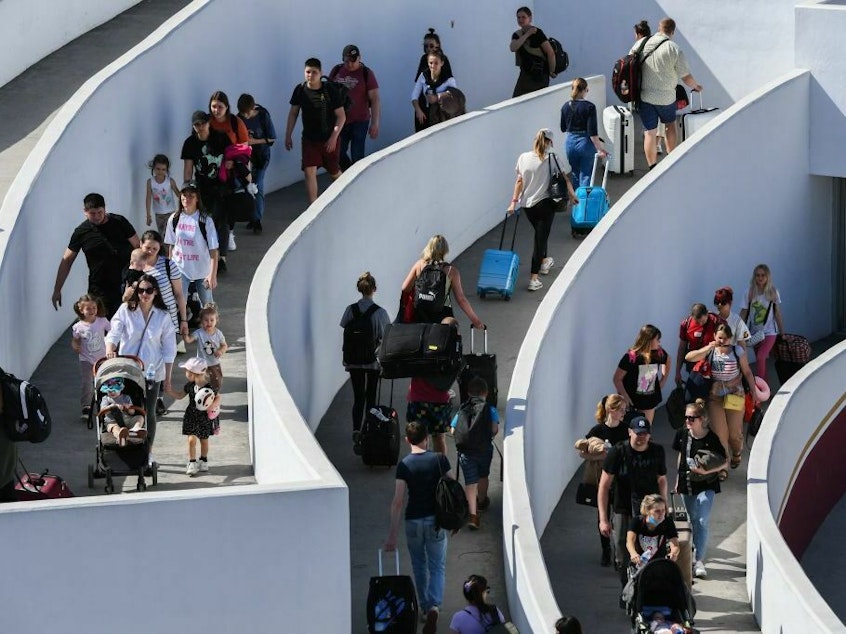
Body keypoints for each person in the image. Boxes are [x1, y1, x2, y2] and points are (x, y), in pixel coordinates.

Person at [385, 421, 453, 634]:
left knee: (418, 565)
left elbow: (397, 501)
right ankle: (434, 606)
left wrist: (392, 536)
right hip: (435, 521)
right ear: (426, 438)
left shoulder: (404, 465)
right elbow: (452, 488)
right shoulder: (440, 460)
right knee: (437, 565)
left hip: (413, 520)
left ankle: (424, 606)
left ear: (407, 440)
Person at [105, 274, 176, 458]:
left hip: (153, 371)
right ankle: (125, 443)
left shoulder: (163, 316)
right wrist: (110, 350)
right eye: (141, 290)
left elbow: (169, 349)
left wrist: (167, 379)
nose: (144, 294)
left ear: (156, 292)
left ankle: (148, 451)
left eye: (149, 290)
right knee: (126, 407)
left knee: (150, 411)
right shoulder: (126, 310)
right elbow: (114, 333)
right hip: (128, 370)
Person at [506, 128, 577, 292]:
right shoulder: (552, 158)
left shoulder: (523, 158)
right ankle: (534, 278)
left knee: (540, 234)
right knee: (539, 240)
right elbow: (565, 178)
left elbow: (519, 182)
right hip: (545, 204)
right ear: (549, 143)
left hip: (527, 206)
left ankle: (544, 262)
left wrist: (513, 203)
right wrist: (572, 195)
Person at [598, 415, 669, 572]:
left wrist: (665, 507)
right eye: (638, 433)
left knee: (650, 551)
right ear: (630, 432)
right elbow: (603, 486)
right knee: (623, 554)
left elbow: (662, 480)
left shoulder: (657, 451)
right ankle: (627, 585)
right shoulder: (618, 452)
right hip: (623, 508)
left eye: (645, 434)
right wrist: (603, 519)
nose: (641, 437)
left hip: (649, 510)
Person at [52, 193, 140, 318]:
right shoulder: (81, 232)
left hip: (125, 283)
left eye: (100, 212)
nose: (97, 216)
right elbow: (67, 260)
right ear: (85, 212)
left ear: (105, 209)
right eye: (93, 213)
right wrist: (57, 289)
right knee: (98, 328)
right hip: (99, 288)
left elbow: (138, 247)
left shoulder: (120, 222)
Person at [685, 323, 757, 473]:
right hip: (715, 398)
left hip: (734, 396)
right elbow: (689, 357)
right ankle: (723, 466)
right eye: (719, 338)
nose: (722, 341)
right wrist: (708, 347)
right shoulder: (711, 351)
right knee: (719, 434)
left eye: (725, 338)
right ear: (714, 337)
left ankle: (736, 452)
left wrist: (754, 392)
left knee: (734, 434)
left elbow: (747, 372)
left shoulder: (737, 351)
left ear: (730, 338)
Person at [634, 17, 703, 168]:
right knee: (670, 125)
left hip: (645, 96)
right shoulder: (674, 48)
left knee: (649, 132)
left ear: (659, 28)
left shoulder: (641, 43)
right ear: (673, 31)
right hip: (666, 98)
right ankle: (671, 161)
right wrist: (696, 86)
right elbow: (685, 76)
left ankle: (652, 166)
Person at [673, 398, 727, 579]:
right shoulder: (682, 434)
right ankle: (694, 551)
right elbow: (681, 456)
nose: (688, 421)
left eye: (692, 418)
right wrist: (677, 480)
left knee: (702, 520)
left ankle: (699, 560)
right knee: (692, 519)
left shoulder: (711, 438)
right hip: (687, 484)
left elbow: (724, 462)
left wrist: (706, 470)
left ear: (702, 419)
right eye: (686, 417)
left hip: (707, 484)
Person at [575, 394, 629, 566]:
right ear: (611, 410)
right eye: (621, 409)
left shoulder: (626, 429)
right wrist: (602, 454)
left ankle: (619, 552)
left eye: (624, 410)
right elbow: (582, 453)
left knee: (620, 517)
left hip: (622, 480)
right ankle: (606, 550)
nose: (623, 413)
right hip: (602, 481)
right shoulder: (597, 431)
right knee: (603, 517)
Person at [339, 272, 390, 454]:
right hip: (372, 361)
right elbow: (385, 337)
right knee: (371, 397)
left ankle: (355, 429)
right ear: (374, 290)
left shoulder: (350, 310)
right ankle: (368, 430)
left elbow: (344, 326)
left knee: (358, 397)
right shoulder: (380, 313)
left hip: (353, 361)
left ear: (359, 289)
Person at [285, 57, 346, 204]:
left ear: (320, 73)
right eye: (307, 72)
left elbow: (341, 116)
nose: (310, 75)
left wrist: (334, 137)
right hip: (309, 140)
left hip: (329, 139)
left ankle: (347, 191)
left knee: (334, 172)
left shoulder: (329, 89)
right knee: (309, 170)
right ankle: (313, 206)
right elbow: (293, 113)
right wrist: (288, 135)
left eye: (314, 72)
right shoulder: (300, 90)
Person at [181, 110, 231, 271]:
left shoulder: (221, 138)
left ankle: (221, 257)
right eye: (197, 124)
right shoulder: (190, 143)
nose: (200, 127)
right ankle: (209, 255)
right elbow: (188, 168)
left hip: (222, 185)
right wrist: (186, 188)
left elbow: (232, 156)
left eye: (203, 123)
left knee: (221, 220)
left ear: (209, 123)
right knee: (204, 221)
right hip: (202, 187)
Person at [401, 235, 484, 328]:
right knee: (445, 337)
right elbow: (461, 299)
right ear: (445, 250)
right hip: (442, 315)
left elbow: (405, 288)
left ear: (428, 248)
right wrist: (476, 320)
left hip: (420, 312)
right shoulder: (451, 271)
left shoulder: (419, 265)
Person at [450, 377, 498, 530]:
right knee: (483, 476)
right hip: (484, 450)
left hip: (466, 452)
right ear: (486, 393)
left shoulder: (463, 408)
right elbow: (494, 430)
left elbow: (452, 430)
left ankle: (473, 515)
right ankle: (482, 501)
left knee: (470, 482)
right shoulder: (490, 409)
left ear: (469, 393)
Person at [164, 182, 219, 306]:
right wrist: (170, 268)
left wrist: (212, 274)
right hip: (181, 268)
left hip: (202, 269)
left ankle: (211, 325)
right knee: (179, 302)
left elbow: (214, 250)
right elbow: (171, 245)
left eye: (191, 196)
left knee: (207, 304)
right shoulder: (174, 218)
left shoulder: (205, 220)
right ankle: (182, 324)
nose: (187, 199)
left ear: (197, 198)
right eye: (184, 195)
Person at [328, 45, 381, 169]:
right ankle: (348, 173)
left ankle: (358, 180)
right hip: (341, 121)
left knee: (357, 155)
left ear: (359, 58)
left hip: (360, 120)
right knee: (338, 152)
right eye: (347, 61)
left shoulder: (366, 73)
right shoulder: (337, 71)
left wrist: (375, 123)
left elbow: (375, 99)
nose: (350, 64)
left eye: (353, 60)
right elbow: (327, 92)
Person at [167, 357, 220, 476]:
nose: (185, 373)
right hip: (191, 415)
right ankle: (192, 462)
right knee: (191, 440)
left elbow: (217, 397)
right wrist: (169, 391)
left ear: (192, 373)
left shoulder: (209, 387)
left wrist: (213, 406)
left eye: (186, 371)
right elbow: (180, 395)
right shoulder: (190, 385)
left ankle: (203, 460)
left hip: (204, 417)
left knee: (204, 440)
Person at [613, 324, 671, 422]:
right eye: (657, 339)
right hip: (631, 400)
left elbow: (668, 360)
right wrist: (625, 397)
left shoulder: (658, 353)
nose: (659, 342)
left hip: (648, 400)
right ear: (649, 340)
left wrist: (663, 380)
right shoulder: (631, 356)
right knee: (630, 429)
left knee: (645, 429)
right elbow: (617, 379)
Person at [236, 93, 277, 234]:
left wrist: (255, 142)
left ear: (253, 108)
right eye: (243, 113)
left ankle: (257, 219)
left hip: (261, 156)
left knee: (258, 184)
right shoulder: (239, 118)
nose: (245, 116)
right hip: (246, 158)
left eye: (247, 113)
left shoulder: (263, 116)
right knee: (247, 186)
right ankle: (250, 216)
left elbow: (272, 138)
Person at [739, 263, 785, 383]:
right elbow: (744, 312)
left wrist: (782, 332)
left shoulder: (773, 292)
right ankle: (767, 390)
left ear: (767, 276)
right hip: (754, 333)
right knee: (761, 361)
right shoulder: (749, 292)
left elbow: (777, 313)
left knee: (760, 357)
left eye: (763, 275)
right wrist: (736, 331)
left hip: (770, 332)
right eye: (757, 275)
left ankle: (758, 390)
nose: (760, 278)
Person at [560, 78, 607, 187]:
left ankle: (577, 202)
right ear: (584, 90)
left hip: (570, 143)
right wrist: (600, 149)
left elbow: (563, 128)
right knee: (586, 174)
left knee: (575, 173)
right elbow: (592, 132)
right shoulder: (589, 107)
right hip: (585, 143)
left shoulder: (565, 106)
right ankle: (585, 201)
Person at [71, 294, 110, 417]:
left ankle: (106, 404)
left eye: (94, 308)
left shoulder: (102, 321)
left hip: (102, 358)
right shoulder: (78, 327)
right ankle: (86, 406)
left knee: (104, 381)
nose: (92, 311)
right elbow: (75, 339)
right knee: (87, 383)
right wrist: (75, 345)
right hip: (85, 359)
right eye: (88, 309)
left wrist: (112, 347)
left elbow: (113, 332)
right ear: (81, 310)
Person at [510, 6, 557, 98]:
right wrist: (527, 34)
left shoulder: (538, 33)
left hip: (540, 75)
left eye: (523, 17)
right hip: (525, 74)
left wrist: (552, 71)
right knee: (517, 101)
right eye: (518, 17)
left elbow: (550, 52)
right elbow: (513, 48)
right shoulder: (517, 35)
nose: (520, 20)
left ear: (530, 18)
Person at [674, 302, 722, 388]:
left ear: (707, 314)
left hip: (712, 365)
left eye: (703, 321)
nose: (700, 324)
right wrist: (678, 372)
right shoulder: (686, 324)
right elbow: (681, 348)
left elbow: (725, 342)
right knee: (693, 393)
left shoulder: (716, 321)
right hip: (694, 366)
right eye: (697, 322)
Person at [183, 302, 227, 392]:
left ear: (216, 320)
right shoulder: (199, 333)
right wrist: (185, 334)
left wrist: (220, 351)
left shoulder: (218, 334)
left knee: (217, 382)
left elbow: (224, 345)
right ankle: (203, 397)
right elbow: (189, 340)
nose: (209, 322)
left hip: (214, 363)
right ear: (201, 321)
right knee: (200, 383)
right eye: (206, 320)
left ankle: (214, 397)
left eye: (212, 320)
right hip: (201, 364)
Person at [626, 494, 680, 567]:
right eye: (657, 511)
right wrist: (633, 553)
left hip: (659, 561)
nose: (661, 514)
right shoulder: (637, 521)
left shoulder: (667, 521)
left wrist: (673, 553)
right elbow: (630, 542)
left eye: (663, 510)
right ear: (647, 511)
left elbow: (675, 543)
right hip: (640, 561)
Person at [412, 50, 458, 132]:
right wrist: (418, 110)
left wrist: (437, 97)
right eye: (430, 63)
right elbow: (414, 96)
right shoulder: (423, 76)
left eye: (436, 63)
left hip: (443, 116)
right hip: (427, 114)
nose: (433, 66)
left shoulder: (448, 79)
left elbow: (455, 94)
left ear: (442, 63)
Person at [98, 377, 146, 446]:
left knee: (140, 417)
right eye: (109, 391)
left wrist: (128, 408)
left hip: (127, 420)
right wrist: (111, 407)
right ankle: (120, 437)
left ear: (120, 389)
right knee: (115, 428)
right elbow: (103, 411)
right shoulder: (106, 399)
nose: (112, 392)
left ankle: (135, 429)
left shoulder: (126, 397)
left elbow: (132, 412)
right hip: (112, 421)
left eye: (114, 390)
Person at [145, 153, 181, 236]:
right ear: (153, 168)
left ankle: (170, 249)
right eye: (158, 169)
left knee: (169, 234)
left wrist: (182, 209)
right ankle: (165, 249)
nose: (160, 172)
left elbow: (178, 195)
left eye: (163, 169)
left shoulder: (170, 181)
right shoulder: (150, 182)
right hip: (158, 214)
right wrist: (148, 215)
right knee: (162, 235)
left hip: (170, 213)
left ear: (167, 170)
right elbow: (148, 198)